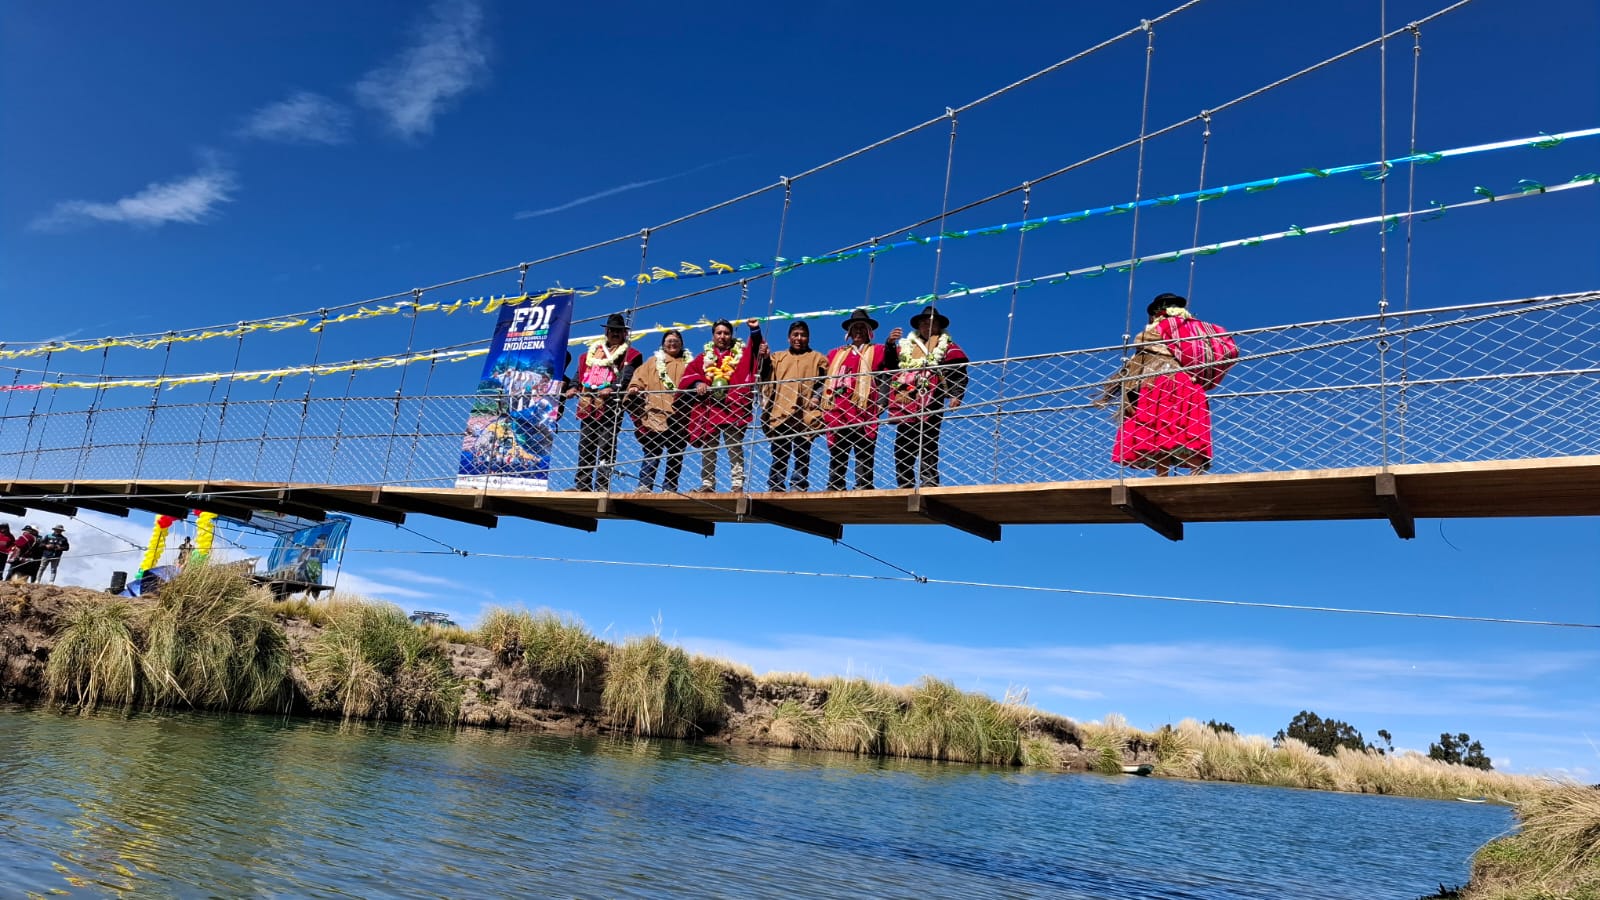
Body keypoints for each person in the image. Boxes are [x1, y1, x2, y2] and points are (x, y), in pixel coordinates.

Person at [1104, 292, 1215, 476]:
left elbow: (1141, 351)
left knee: (1159, 430)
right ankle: (1196, 473)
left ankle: (1162, 475)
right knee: (1188, 427)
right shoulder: (1193, 331)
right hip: (1187, 383)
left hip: (1157, 382)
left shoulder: (1151, 333)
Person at [886, 305, 969, 489]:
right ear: (918, 326)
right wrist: (890, 344)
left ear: (939, 326)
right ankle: (905, 483)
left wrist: (956, 395)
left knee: (928, 441)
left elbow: (958, 372)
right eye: (923, 323)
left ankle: (929, 481)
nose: (927, 326)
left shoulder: (947, 346)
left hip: (932, 399)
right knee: (902, 444)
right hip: (906, 398)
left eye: (932, 323)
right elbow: (890, 364)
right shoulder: (906, 346)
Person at [680, 318, 765, 492]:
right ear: (713, 336)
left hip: (732, 408)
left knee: (734, 447)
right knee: (709, 449)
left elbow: (754, 351)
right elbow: (690, 374)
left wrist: (755, 331)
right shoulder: (704, 357)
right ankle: (707, 484)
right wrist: (698, 383)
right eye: (719, 333)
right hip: (709, 409)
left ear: (731, 335)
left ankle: (737, 484)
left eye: (726, 333)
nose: (722, 336)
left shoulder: (739, 354)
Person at [821, 309, 899, 491]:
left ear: (869, 332)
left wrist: (890, 343)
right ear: (849, 333)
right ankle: (835, 484)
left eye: (862, 328)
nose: (858, 331)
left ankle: (863, 484)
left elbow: (889, 369)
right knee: (838, 448)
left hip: (865, 407)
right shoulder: (835, 353)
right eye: (855, 328)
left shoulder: (877, 350)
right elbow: (822, 378)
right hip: (839, 408)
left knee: (864, 447)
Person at [564, 313, 643, 491]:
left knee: (606, 445)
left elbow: (627, 376)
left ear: (624, 334)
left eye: (618, 331)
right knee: (585, 445)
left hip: (611, 405)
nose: (615, 333)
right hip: (588, 403)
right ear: (606, 332)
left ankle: (602, 486)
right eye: (612, 330)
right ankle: (582, 484)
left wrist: (613, 388)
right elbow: (581, 372)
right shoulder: (592, 353)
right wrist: (574, 387)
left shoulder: (629, 354)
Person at [759, 320, 828, 492]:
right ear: (788, 338)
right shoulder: (778, 357)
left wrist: (816, 397)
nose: (799, 338)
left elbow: (824, 381)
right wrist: (765, 357)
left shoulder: (818, 358)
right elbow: (765, 373)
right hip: (781, 410)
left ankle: (799, 483)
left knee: (802, 452)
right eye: (795, 335)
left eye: (803, 335)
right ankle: (776, 484)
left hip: (805, 412)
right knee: (779, 451)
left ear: (808, 338)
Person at [625, 329, 692, 493]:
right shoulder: (653, 362)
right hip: (655, 413)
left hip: (680, 415)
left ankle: (670, 487)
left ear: (682, 344)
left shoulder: (690, 364)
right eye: (669, 341)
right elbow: (638, 378)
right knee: (652, 450)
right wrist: (635, 387)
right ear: (663, 344)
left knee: (676, 452)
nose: (672, 344)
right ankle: (645, 484)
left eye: (676, 341)